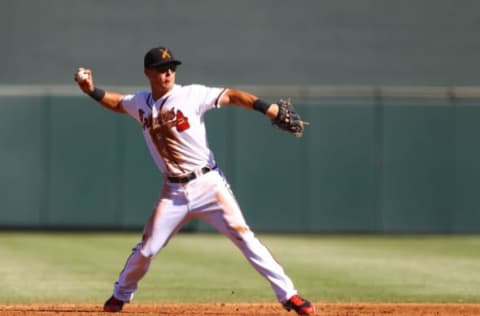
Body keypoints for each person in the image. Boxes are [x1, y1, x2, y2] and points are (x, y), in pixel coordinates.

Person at [74, 46, 314, 316]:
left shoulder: (191, 95)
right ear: (147, 72)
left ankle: (289, 296)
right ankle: (119, 296)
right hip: (173, 191)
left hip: (208, 184)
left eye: (172, 68)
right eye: (162, 68)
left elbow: (233, 96)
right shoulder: (140, 103)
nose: (168, 72)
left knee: (244, 237)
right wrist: (91, 91)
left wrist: (267, 108)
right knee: (148, 247)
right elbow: (117, 102)